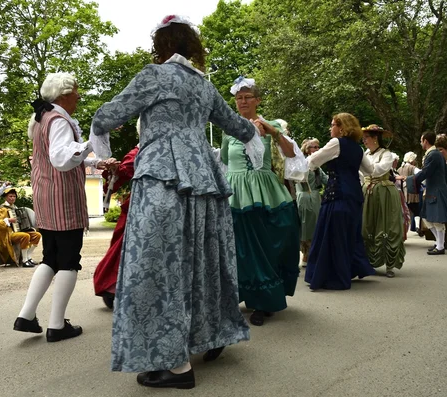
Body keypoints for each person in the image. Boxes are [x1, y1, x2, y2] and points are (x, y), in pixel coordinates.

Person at [90, 15, 264, 389]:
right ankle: (211, 335)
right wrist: (261, 139)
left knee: (156, 266)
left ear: (163, 47)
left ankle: (176, 364)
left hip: (162, 176)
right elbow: (241, 127)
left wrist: (97, 138)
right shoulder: (205, 86)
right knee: (202, 261)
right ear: (191, 47)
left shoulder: (153, 76)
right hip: (204, 179)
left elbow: (107, 115)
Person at [14, 72, 103, 343]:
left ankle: (26, 315)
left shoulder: (42, 117)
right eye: (76, 90)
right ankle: (56, 324)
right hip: (63, 199)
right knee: (68, 260)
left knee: (50, 257)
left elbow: (56, 156)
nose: (79, 95)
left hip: (45, 196)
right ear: (64, 94)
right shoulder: (60, 119)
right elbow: (62, 159)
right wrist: (92, 142)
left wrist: (91, 161)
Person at [222, 77, 300, 326]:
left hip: (265, 192)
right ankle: (245, 294)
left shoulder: (272, 124)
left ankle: (265, 300)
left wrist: (274, 132)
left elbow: (291, 153)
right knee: (240, 249)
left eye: (247, 97)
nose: (243, 101)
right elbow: (224, 163)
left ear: (257, 100)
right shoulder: (228, 129)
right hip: (236, 194)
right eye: (239, 97)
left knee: (267, 245)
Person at [304, 113, 376, 290]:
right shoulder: (357, 149)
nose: (331, 128)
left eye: (333, 125)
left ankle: (334, 276)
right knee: (348, 234)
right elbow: (370, 170)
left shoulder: (337, 143)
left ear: (342, 127)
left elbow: (313, 161)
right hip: (354, 196)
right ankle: (349, 269)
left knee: (333, 234)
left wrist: (303, 164)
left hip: (338, 195)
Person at [93, 143, 139, 309]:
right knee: (124, 247)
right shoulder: (139, 151)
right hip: (141, 208)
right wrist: (115, 170)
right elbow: (124, 171)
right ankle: (112, 287)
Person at [398, 131, 447, 255]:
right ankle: (439, 243)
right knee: (427, 218)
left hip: (436, 190)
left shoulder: (433, 154)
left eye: (421, 140)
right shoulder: (436, 154)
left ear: (425, 140)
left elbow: (426, 172)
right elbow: (446, 173)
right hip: (435, 189)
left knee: (437, 219)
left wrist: (407, 179)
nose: (420, 142)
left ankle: (440, 246)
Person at [360, 125, 406, 278]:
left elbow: (378, 170)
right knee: (368, 224)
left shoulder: (387, 154)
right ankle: (368, 262)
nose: (364, 140)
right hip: (368, 191)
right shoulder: (365, 153)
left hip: (383, 192)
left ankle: (389, 265)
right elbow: (361, 172)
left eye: (366, 137)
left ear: (375, 138)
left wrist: (367, 169)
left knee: (386, 225)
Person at [296, 138, 327, 268]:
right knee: (307, 226)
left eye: (318, 147)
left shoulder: (316, 166)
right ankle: (307, 254)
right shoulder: (304, 163)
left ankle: (309, 254)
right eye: (314, 147)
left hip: (313, 198)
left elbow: (326, 179)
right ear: (307, 149)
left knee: (310, 226)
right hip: (306, 197)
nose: (317, 149)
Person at [0, 188, 41, 267]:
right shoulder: (2, 209)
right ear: (5, 197)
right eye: (10, 196)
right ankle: (24, 260)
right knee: (25, 236)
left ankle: (28, 257)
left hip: (18, 231)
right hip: (8, 234)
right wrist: (8, 220)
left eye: (14, 196)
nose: (12, 198)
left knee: (37, 235)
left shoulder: (15, 208)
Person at [397, 152, 421, 232]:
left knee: (403, 211)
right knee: (416, 210)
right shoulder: (413, 168)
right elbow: (420, 174)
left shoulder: (399, 169)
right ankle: (417, 226)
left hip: (401, 193)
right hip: (411, 192)